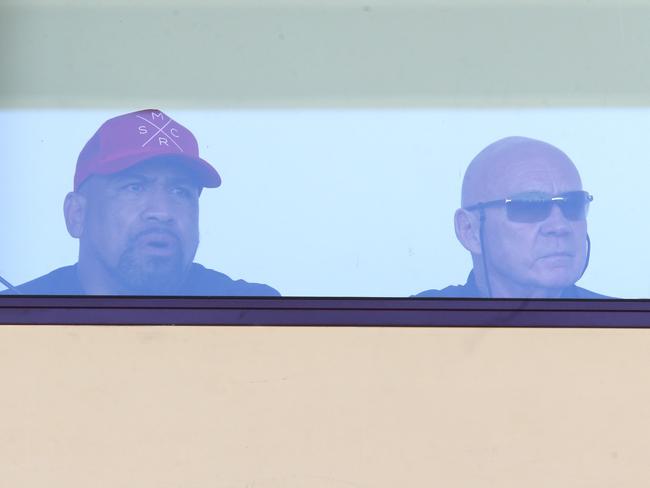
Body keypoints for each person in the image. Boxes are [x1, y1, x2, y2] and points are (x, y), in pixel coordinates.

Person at [5, 109, 280, 296]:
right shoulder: (16, 319)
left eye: (180, 191)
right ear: (76, 214)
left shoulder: (251, 315)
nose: (162, 212)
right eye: (133, 187)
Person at [415, 136, 607, 299]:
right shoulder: (410, 326)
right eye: (531, 206)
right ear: (469, 231)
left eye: (572, 204)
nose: (559, 226)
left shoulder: (624, 330)